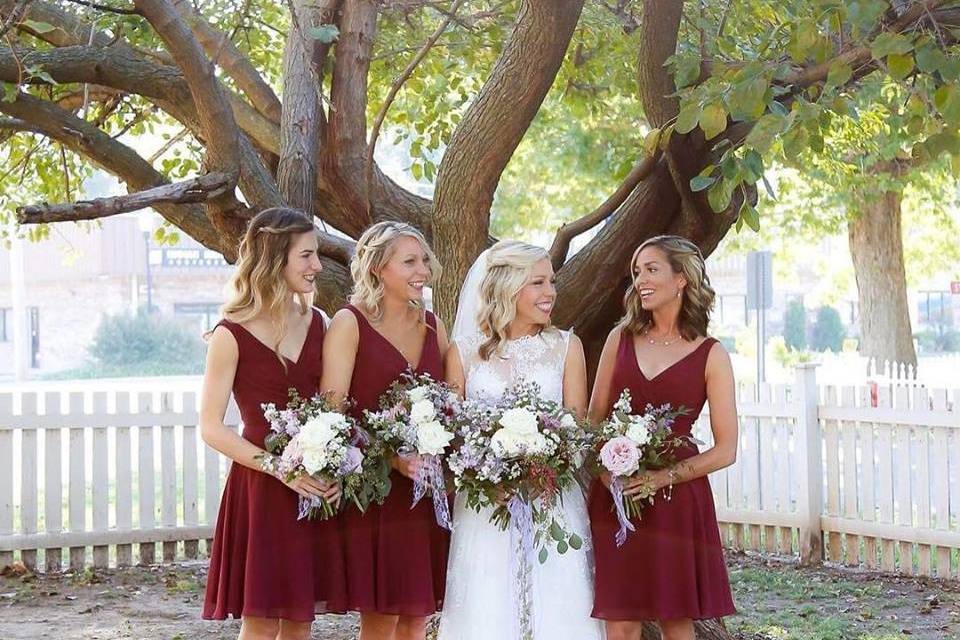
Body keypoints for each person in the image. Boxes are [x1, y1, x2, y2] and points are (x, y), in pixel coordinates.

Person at [438, 240, 604, 640]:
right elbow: (453, 435)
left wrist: (549, 463)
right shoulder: (463, 352)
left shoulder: (567, 347)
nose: (550, 293)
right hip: (485, 505)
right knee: (487, 603)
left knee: (559, 602)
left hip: (553, 501)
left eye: (551, 282)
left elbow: (577, 428)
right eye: (538, 283)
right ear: (507, 287)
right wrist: (484, 475)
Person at [201, 207, 346, 639]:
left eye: (316, 254)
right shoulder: (230, 334)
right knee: (261, 623)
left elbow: (335, 409)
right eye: (306, 255)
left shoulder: (320, 323)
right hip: (261, 490)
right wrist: (280, 469)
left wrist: (335, 466)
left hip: (312, 487)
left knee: (300, 621)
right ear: (274, 256)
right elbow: (211, 426)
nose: (317, 266)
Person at [587, 235, 738, 640]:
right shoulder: (619, 340)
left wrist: (661, 477)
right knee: (620, 621)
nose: (641, 280)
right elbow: (593, 422)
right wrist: (607, 474)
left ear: (681, 279)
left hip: (677, 501)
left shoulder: (711, 354)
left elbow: (727, 449)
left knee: (676, 619)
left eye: (651, 269)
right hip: (618, 499)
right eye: (637, 272)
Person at [321, 221, 450, 640]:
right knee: (382, 619)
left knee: (417, 618)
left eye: (424, 260)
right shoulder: (349, 322)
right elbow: (331, 414)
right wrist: (392, 455)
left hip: (427, 491)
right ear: (378, 267)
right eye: (410, 261)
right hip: (378, 493)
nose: (422, 271)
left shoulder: (433, 324)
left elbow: (451, 402)